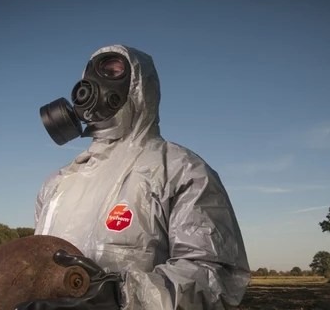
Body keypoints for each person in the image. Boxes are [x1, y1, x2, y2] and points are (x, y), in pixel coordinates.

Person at [16, 45, 251, 310]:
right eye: (91, 75)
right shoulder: (57, 184)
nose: (95, 84)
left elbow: (215, 276)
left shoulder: (181, 170)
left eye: (113, 72)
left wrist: (120, 297)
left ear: (139, 89)